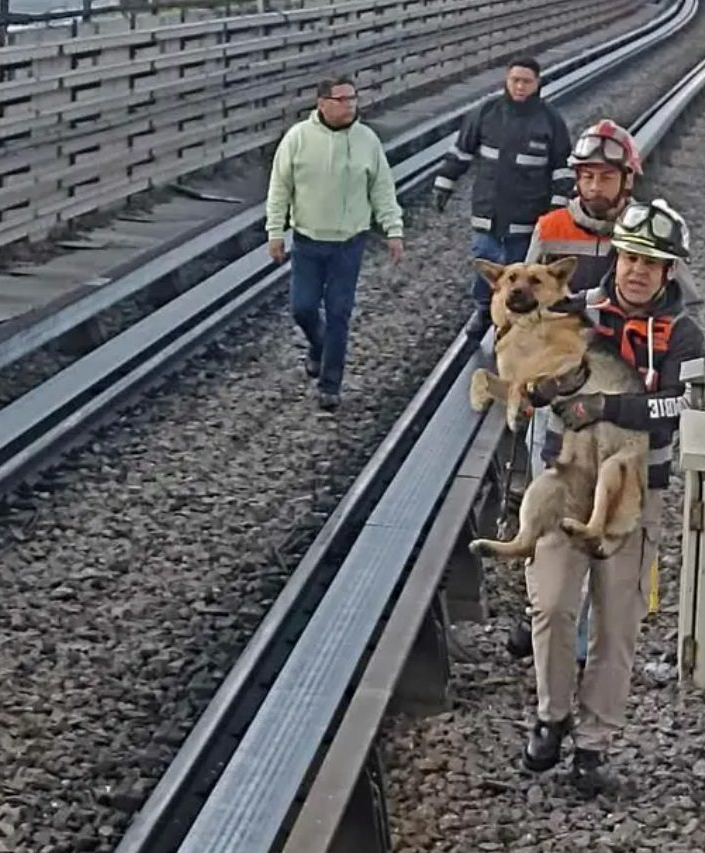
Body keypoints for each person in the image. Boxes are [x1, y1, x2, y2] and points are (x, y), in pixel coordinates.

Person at [519, 198, 705, 794]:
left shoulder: (683, 334)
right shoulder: (575, 310)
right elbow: (532, 359)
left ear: (668, 272)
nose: (636, 271)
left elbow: (683, 406)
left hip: (632, 495)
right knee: (551, 605)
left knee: (617, 625)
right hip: (564, 478)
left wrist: (610, 406)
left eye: (651, 263)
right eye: (629, 258)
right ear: (615, 259)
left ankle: (594, 745)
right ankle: (552, 714)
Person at [504, 120, 644, 668]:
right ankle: (540, 604)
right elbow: (521, 303)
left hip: (610, 399)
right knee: (549, 495)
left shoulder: (641, 231)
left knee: (597, 509)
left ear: (625, 180)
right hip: (558, 393)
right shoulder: (552, 227)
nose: (595, 188)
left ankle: (578, 633)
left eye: (605, 177)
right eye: (587, 176)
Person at [266, 75, 404, 412]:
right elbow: (280, 187)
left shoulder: (366, 140)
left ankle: (330, 385)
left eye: (352, 99)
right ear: (322, 103)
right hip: (308, 241)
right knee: (303, 308)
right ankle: (318, 346)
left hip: (348, 243)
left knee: (340, 312)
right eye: (341, 100)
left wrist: (393, 229)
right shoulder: (298, 139)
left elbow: (382, 188)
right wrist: (275, 231)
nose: (349, 106)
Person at [431, 56, 574, 340]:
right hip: (488, 213)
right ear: (507, 81)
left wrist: (557, 209)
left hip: (527, 218)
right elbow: (462, 152)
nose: (520, 86)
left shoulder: (550, 122)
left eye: (526, 81)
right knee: (487, 266)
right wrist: (444, 183)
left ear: (537, 84)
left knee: (521, 279)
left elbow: (562, 168)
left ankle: (516, 330)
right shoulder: (485, 113)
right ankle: (484, 312)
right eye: (515, 80)